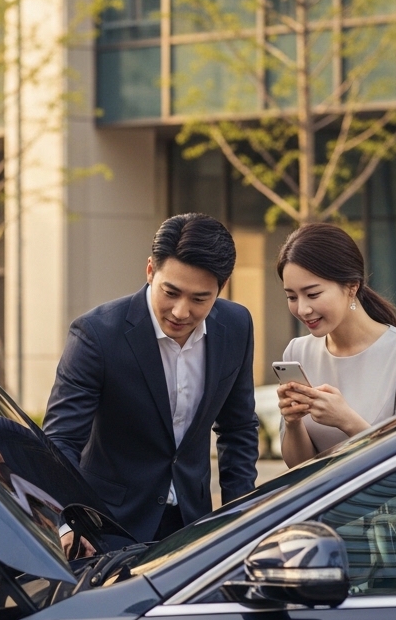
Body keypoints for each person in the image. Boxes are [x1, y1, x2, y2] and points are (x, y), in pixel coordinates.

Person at [43, 213, 259, 544]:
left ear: (221, 288)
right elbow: (62, 440)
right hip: (107, 528)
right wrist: (68, 521)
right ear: (149, 271)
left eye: (199, 298)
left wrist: (239, 519)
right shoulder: (97, 334)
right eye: (170, 292)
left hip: (193, 525)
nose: (181, 311)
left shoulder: (237, 325)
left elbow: (238, 429)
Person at [275, 222, 396, 467]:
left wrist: (347, 420)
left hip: (392, 505)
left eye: (313, 294)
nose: (303, 309)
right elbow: (299, 469)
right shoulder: (297, 352)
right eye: (292, 297)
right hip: (324, 503)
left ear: (352, 286)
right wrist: (292, 422)